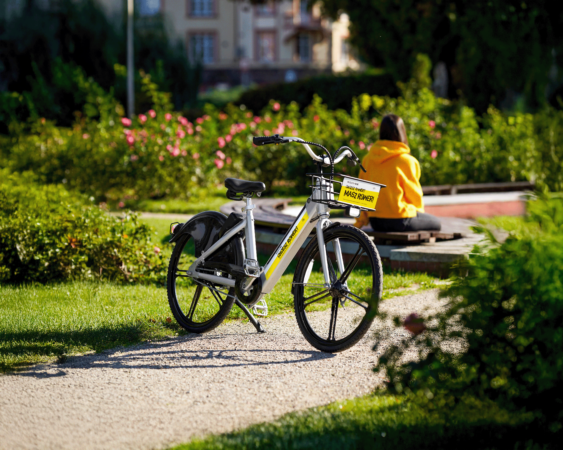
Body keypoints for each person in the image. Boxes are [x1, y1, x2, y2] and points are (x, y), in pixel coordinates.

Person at [354, 114, 441, 232]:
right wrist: (418, 215)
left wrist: (359, 222)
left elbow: (361, 194)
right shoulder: (407, 161)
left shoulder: (367, 159)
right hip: (400, 220)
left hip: (376, 221)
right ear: (402, 132)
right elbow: (415, 197)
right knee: (437, 223)